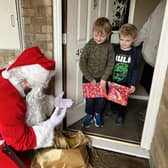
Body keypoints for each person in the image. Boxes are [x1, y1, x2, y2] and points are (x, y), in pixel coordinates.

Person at [0, 46, 73, 168]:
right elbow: (21, 141)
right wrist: (50, 124)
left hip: (8, 132)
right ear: (26, 81)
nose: (38, 89)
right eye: (35, 85)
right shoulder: (8, 101)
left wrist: (54, 102)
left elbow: (32, 100)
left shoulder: (11, 77)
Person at [79, 17, 114, 128]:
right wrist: (91, 79)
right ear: (93, 32)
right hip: (89, 78)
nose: (98, 38)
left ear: (108, 34)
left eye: (102, 36)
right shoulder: (89, 45)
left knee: (101, 99)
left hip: (102, 79)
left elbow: (110, 63)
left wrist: (104, 79)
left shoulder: (109, 47)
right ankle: (89, 114)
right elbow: (82, 63)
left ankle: (97, 114)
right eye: (96, 35)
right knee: (90, 100)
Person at [108, 24, 141, 126]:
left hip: (126, 82)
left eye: (127, 41)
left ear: (133, 39)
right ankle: (113, 110)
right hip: (114, 79)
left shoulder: (135, 53)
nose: (124, 43)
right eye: (122, 39)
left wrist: (132, 84)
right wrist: (109, 79)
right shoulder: (115, 49)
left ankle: (121, 114)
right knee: (112, 98)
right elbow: (109, 65)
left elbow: (135, 69)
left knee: (122, 101)